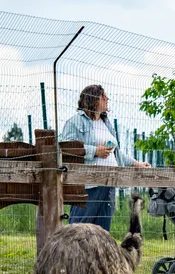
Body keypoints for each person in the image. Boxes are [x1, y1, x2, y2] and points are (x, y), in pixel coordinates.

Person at [61, 84, 151, 231]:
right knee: (79, 228)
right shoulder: (75, 122)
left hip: (109, 183)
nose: (107, 99)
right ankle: (74, 254)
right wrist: (95, 151)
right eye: (103, 97)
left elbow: (116, 152)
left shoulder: (105, 123)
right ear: (94, 99)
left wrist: (137, 164)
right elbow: (67, 148)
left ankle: (98, 255)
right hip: (89, 184)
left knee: (102, 230)